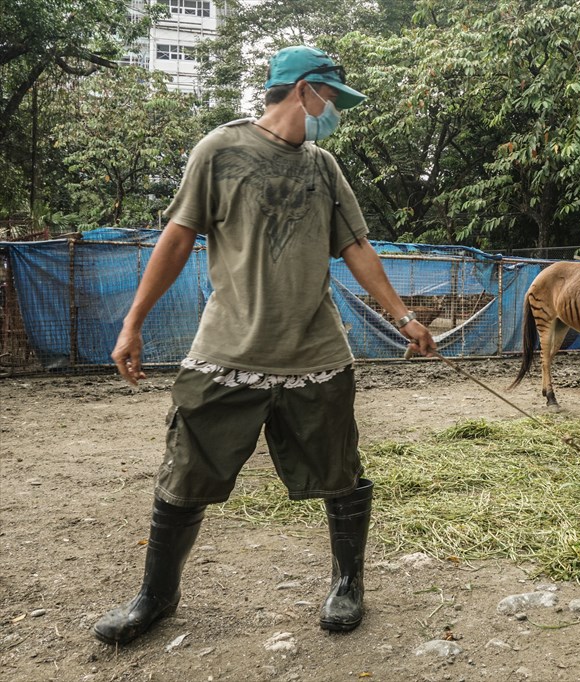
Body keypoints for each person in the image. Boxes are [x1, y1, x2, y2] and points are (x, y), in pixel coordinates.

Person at [93, 45, 436, 645]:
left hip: (316, 353)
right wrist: (133, 321)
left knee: (340, 472)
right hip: (228, 348)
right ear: (302, 90)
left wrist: (404, 317)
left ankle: (347, 584)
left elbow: (356, 248)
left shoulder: (324, 167)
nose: (334, 112)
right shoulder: (219, 152)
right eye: (331, 99)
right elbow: (177, 238)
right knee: (184, 473)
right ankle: (156, 596)